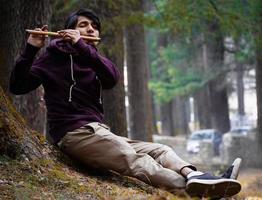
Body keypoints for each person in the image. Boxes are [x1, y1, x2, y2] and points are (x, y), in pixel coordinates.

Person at [9, 8, 242, 198]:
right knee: (136, 160)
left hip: (99, 132)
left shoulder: (93, 59)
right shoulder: (53, 56)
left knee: (160, 149)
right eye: (83, 25)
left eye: (94, 26)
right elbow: (18, 86)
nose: (91, 29)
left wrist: (83, 46)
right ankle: (204, 190)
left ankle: (197, 177)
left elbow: (111, 79)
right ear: (69, 31)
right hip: (74, 134)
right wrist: (31, 48)